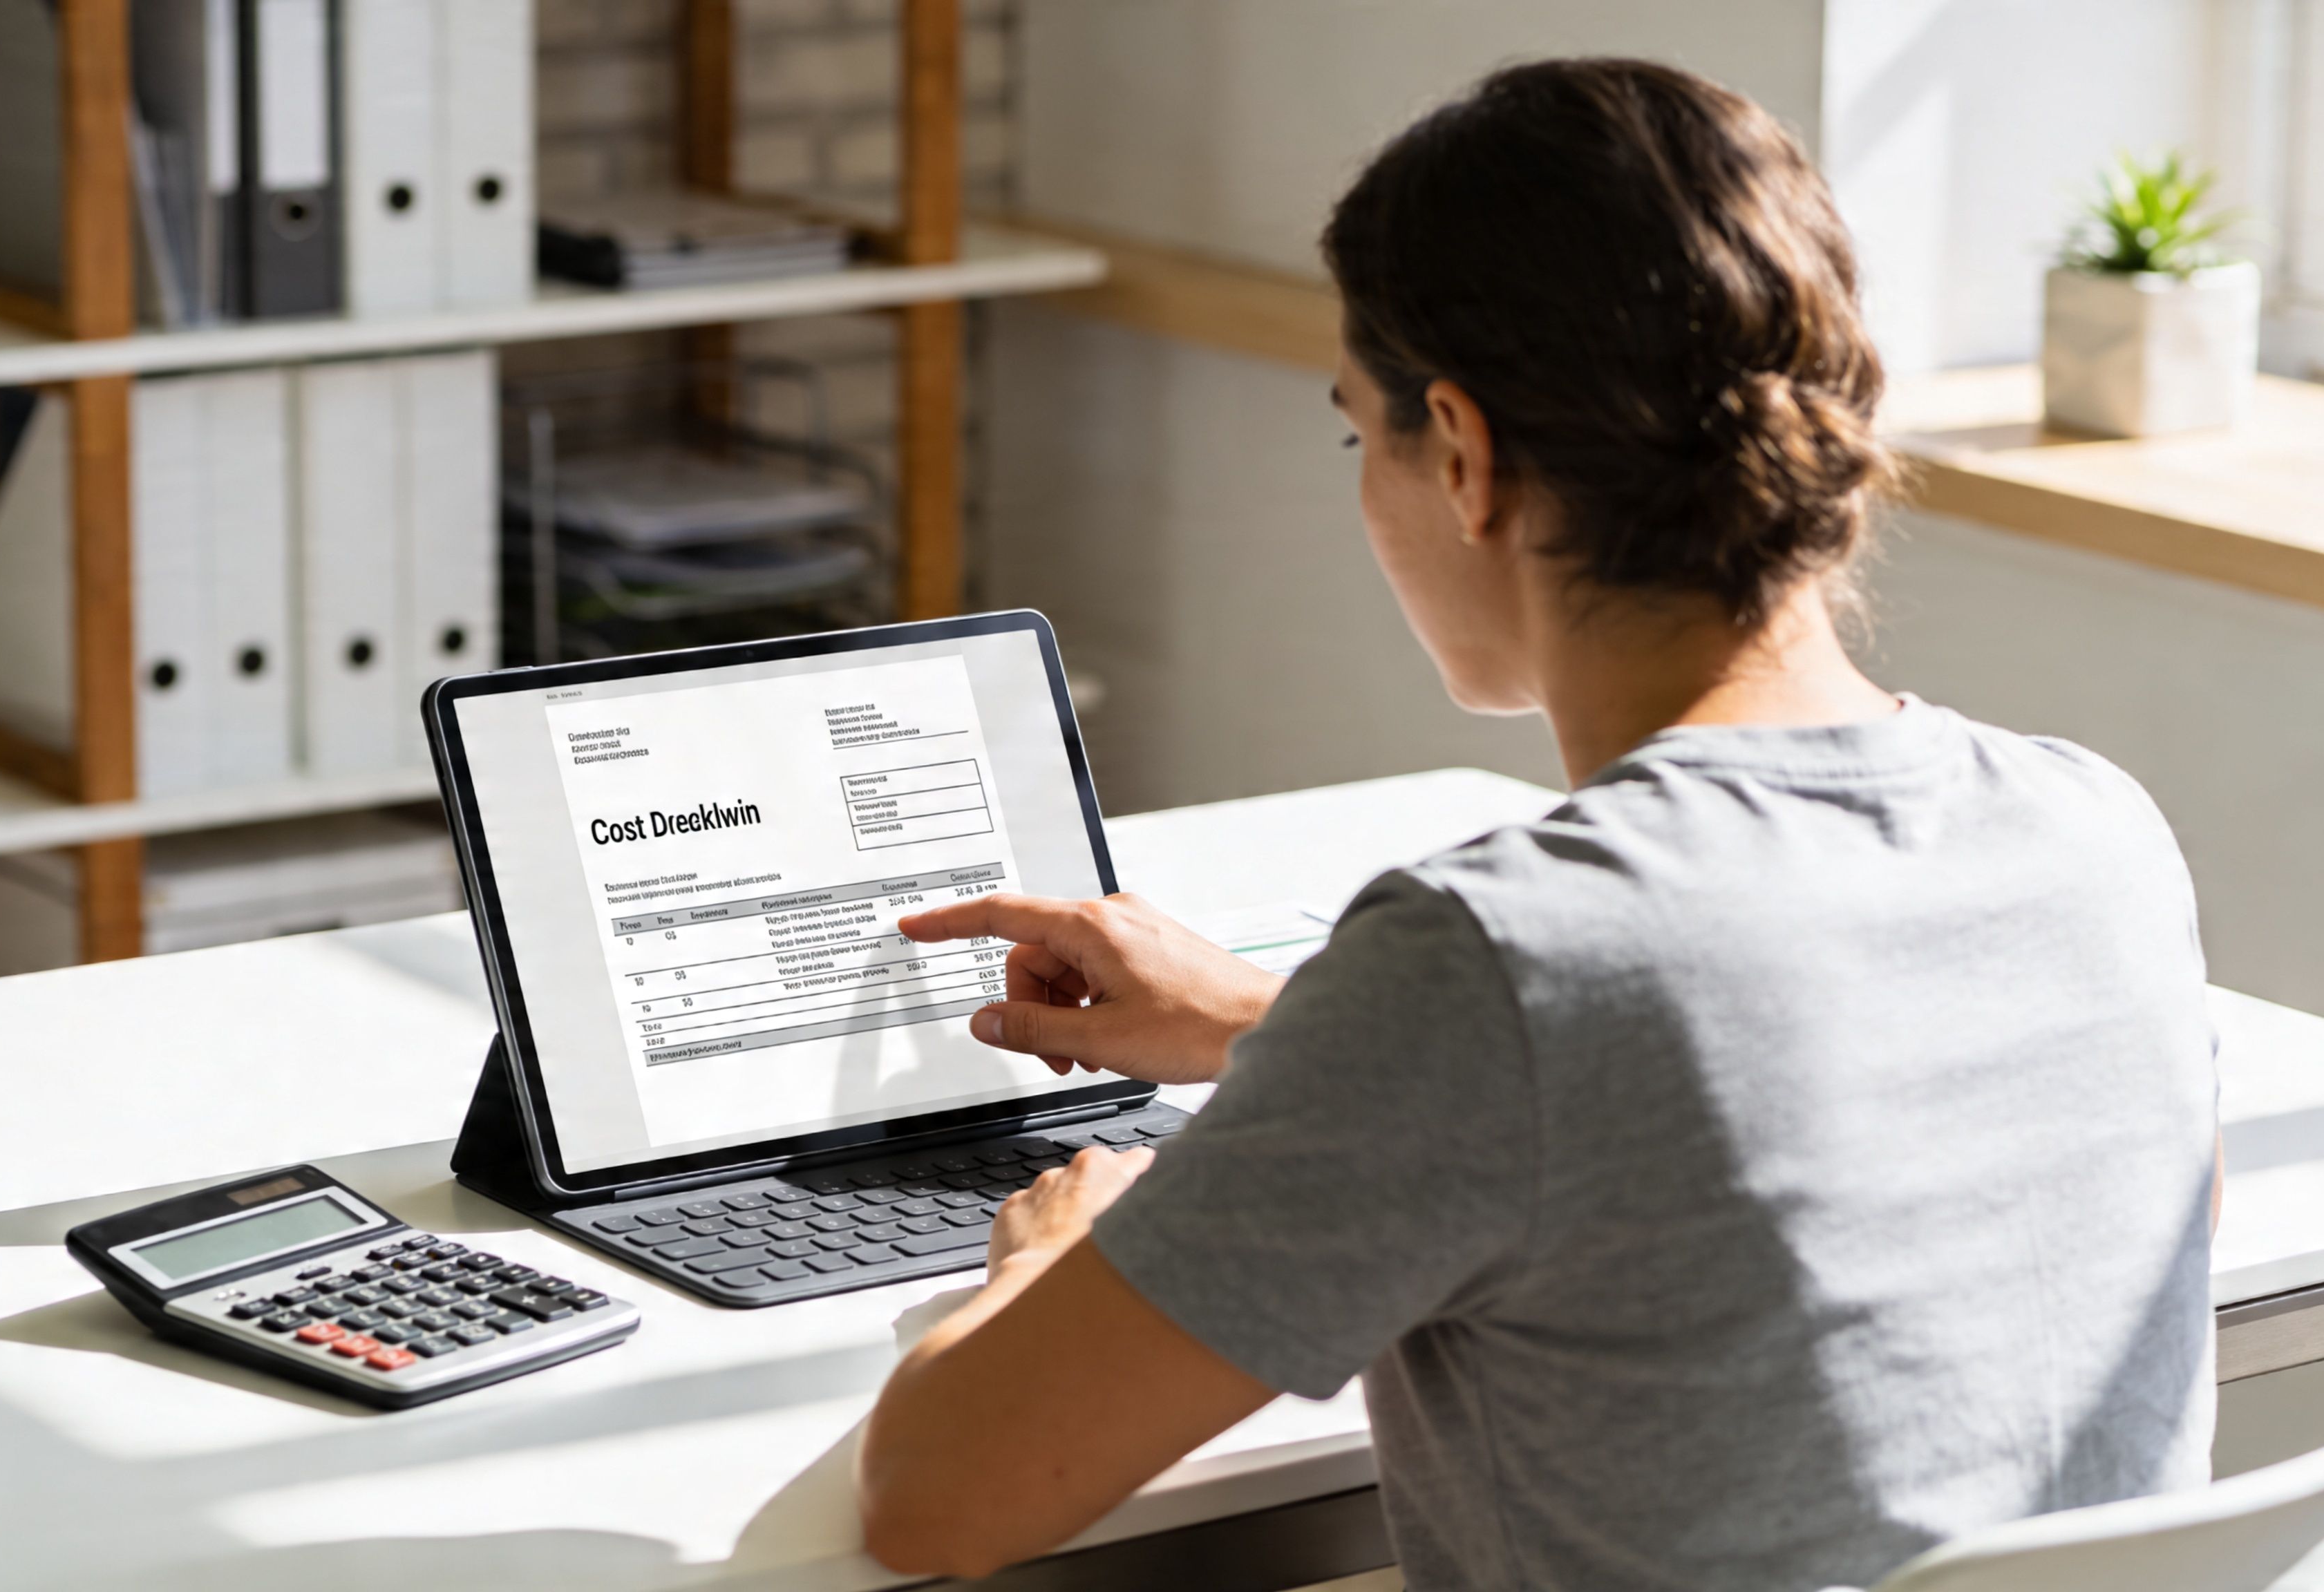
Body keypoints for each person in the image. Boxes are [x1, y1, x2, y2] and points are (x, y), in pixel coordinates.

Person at [854, 57, 2220, 1592]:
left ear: (1463, 453)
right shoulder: (2091, 833)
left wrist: (1050, 1263)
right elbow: (1715, 1083)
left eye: (1354, 435)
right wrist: (1282, 1029)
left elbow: (932, 1502)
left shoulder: (1493, 961)